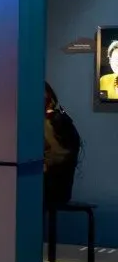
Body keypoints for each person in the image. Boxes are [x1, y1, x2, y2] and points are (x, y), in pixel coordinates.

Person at [45, 83, 83, 211]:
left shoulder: (54, 121)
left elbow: (60, 155)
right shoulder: (60, 119)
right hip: (59, 189)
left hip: (53, 190)